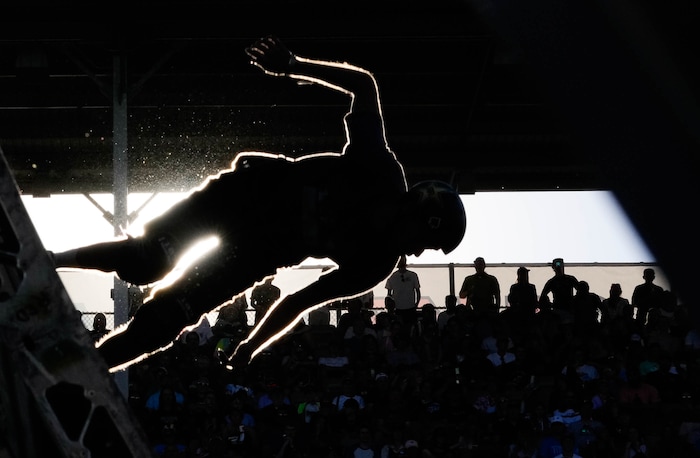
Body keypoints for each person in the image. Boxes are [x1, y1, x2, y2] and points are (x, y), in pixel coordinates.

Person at [48, 36, 466, 371]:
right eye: (425, 241)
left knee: (165, 323)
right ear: (417, 211)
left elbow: (298, 302)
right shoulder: (380, 169)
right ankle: (51, 259)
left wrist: (251, 346)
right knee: (147, 261)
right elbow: (364, 85)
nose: (416, 252)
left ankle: (85, 371)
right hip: (240, 198)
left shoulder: (378, 263)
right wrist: (293, 66)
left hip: (252, 255)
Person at [384, 255, 422, 330]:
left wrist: (416, 304)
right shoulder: (392, 276)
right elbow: (389, 294)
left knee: (411, 328)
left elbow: (418, 291)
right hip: (397, 308)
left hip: (410, 307)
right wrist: (391, 308)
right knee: (398, 328)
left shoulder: (413, 275)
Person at [459, 256, 501, 320]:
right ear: (475, 266)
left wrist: (496, 311)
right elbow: (461, 295)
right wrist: (470, 291)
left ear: (484, 266)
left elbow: (497, 296)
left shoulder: (491, 279)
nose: (479, 267)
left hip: (487, 311)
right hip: (473, 311)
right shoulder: (469, 279)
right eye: (477, 265)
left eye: (480, 265)